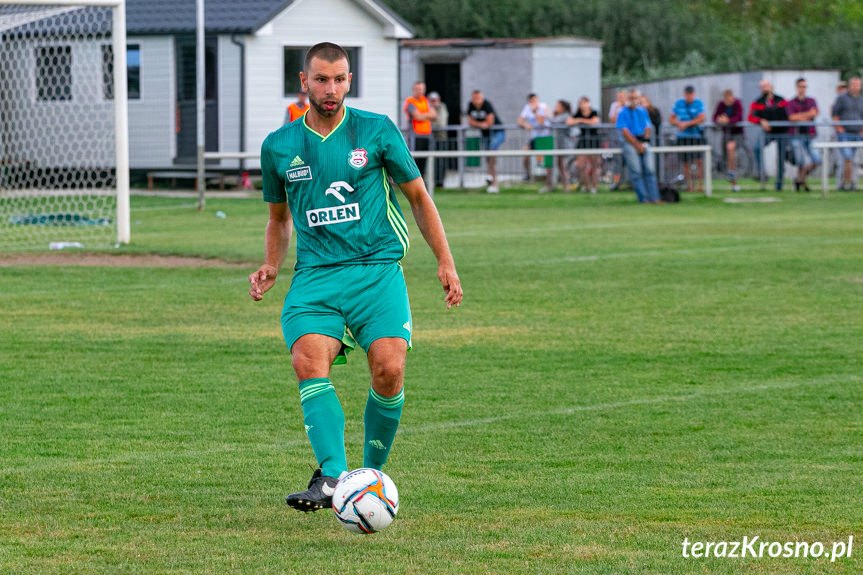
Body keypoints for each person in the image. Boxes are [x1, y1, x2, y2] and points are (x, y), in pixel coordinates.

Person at [251, 42, 463, 513]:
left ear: (350, 80)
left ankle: (369, 476)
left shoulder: (377, 131)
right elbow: (279, 219)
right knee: (308, 359)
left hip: (376, 270)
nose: (332, 89)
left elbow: (419, 199)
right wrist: (271, 263)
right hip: (316, 277)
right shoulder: (279, 146)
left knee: (389, 369)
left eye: (341, 79)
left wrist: (444, 261)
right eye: (322, 80)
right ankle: (331, 477)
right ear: (303, 81)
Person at [616, 89, 661, 204]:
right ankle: (644, 198)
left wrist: (644, 142)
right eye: (631, 98)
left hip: (643, 142)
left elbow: (647, 127)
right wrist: (637, 145)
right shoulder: (622, 112)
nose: (633, 100)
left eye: (635, 98)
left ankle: (655, 197)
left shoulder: (643, 111)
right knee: (636, 171)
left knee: (650, 170)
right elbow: (625, 132)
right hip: (630, 143)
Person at [748, 80, 789, 191]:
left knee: (780, 158)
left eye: (766, 86)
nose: (764, 88)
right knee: (757, 148)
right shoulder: (757, 102)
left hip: (782, 132)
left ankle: (779, 185)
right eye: (762, 87)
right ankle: (762, 173)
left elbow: (788, 115)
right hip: (767, 133)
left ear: (771, 87)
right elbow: (750, 117)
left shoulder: (781, 100)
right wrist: (761, 121)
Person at [466, 89, 505, 193]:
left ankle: (492, 180)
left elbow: (490, 122)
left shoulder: (487, 104)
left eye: (478, 98)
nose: (477, 101)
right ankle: (491, 179)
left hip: (497, 132)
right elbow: (470, 121)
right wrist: (481, 125)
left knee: (492, 151)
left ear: (482, 98)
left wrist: (481, 124)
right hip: (486, 135)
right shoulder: (470, 105)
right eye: (474, 98)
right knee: (489, 157)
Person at [670, 86, 706, 194]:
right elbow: (671, 119)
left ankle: (700, 186)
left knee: (699, 162)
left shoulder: (698, 103)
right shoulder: (679, 103)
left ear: (693, 94)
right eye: (687, 94)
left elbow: (701, 118)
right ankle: (690, 186)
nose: (689, 96)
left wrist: (687, 124)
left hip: (696, 136)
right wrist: (678, 123)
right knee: (685, 163)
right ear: (685, 94)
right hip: (683, 137)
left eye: (691, 94)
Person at [786, 77, 821, 192]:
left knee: (817, 159)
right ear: (797, 87)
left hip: (810, 134)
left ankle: (800, 178)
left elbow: (815, 113)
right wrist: (807, 115)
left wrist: (800, 116)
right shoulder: (791, 102)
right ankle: (802, 182)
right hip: (797, 134)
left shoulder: (811, 101)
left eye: (805, 86)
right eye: (801, 86)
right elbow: (792, 117)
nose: (803, 89)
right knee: (800, 160)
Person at [831, 77, 863, 191]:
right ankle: (848, 183)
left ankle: (847, 184)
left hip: (857, 134)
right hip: (844, 134)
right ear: (850, 85)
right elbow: (835, 114)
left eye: (858, 84)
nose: (856, 87)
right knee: (847, 158)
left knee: (853, 161)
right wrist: (839, 129)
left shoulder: (861, 100)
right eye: (854, 84)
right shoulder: (841, 98)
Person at [517, 93, 553, 193]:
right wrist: (525, 125)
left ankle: (549, 183)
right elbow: (519, 121)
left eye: (535, 100)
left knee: (547, 161)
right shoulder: (527, 108)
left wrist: (535, 111)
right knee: (525, 152)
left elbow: (541, 122)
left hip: (545, 137)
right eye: (532, 101)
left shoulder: (543, 107)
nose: (534, 103)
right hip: (535, 138)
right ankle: (527, 175)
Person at [567, 96, 600, 194]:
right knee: (581, 166)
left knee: (595, 165)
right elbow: (569, 121)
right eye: (581, 103)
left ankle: (594, 186)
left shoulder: (594, 112)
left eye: (585, 103)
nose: (583, 105)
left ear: (588, 103)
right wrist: (582, 120)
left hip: (594, 141)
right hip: (583, 141)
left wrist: (580, 120)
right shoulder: (578, 113)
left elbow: (594, 122)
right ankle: (586, 186)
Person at [712, 89, 744, 191]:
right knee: (727, 156)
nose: (727, 101)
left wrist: (728, 120)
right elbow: (715, 117)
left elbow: (739, 118)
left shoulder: (738, 103)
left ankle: (732, 171)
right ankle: (733, 183)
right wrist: (719, 120)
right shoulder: (721, 104)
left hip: (737, 134)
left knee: (731, 149)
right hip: (726, 134)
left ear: (732, 97)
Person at [403, 81, 437, 178]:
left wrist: (422, 115)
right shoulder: (410, 102)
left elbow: (434, 115)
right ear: (414, 90)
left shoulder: (426, 101)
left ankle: (423, 184)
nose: (420, 91)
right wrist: (427, 115)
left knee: (425, 162)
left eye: (422, 89)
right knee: (415, 162)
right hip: (415, 137)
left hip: (427, 136)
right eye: (418, 89)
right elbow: (417, 117)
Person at [427, 91, 448, 188]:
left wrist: (428, 120)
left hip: (441, 138)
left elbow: (441, 123)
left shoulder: (442, 107)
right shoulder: (427, 107)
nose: (433, 102)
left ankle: (440, 183)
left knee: (441, 162)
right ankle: (429, 182)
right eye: (431, 100)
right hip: (428, 139)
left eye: (435, 100)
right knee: (429, 162)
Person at [607, 89, 628, 190]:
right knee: (617, 161)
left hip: (628, 135)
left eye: (622, 96)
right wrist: (617, 108)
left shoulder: (629, 106)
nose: (620, 99)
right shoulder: (614, 105)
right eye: (618, 97)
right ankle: (616, 181)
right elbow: (613, 120)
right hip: (617, 137)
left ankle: (628, 181)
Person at [552, 99, 574, 192]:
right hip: (559, 145)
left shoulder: (566, 116)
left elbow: (552, 121)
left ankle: (567, 186)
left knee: (565, 166)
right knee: (560, 166)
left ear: (562, 107)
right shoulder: (559, 116)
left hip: (565, 145)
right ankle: (564, 185)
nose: (555, 108)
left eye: (557, 106)